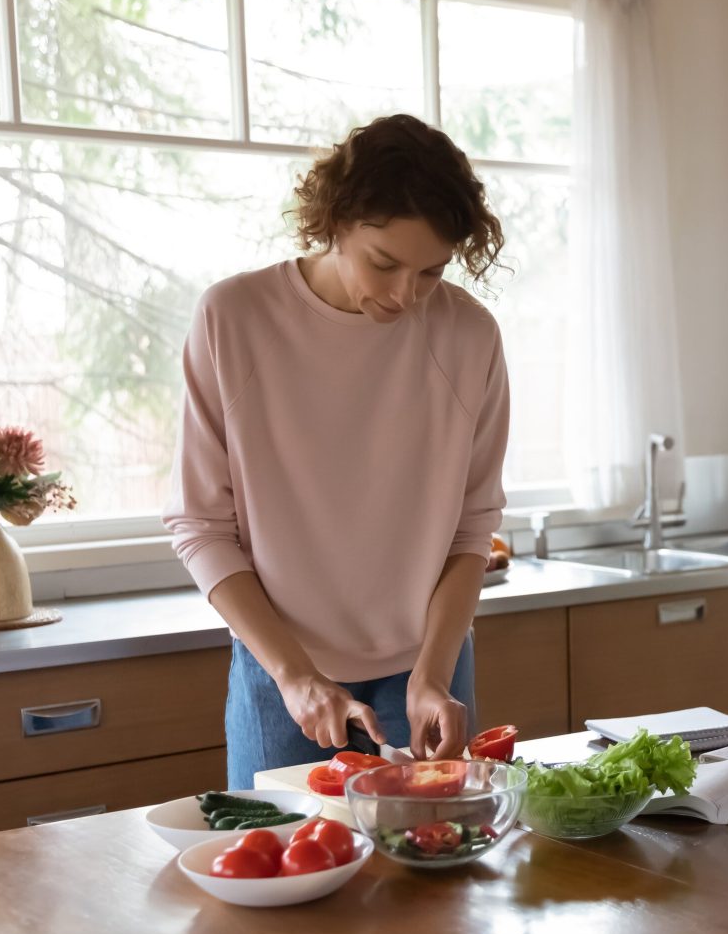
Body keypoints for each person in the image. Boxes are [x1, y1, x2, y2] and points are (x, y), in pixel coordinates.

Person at [164, 114, 509, 788]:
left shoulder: (470, 337)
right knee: (280, 872)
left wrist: (432, 674)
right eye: (384, 263)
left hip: (427, 666)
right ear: (335, 223)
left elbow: (472, 528)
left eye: (431, 271)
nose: (405, 295)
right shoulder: (233, 320)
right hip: (283, 670)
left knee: (433, 883)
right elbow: (201, 526)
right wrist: (294, 675)